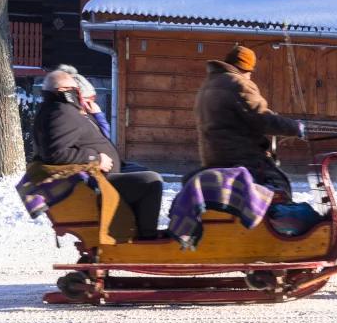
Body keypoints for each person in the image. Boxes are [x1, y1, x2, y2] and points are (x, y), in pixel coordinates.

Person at [33, 69, 163, 239]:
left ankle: (134, 231)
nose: (78, 92)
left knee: (142, 172)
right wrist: (95, 158)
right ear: (63, 91)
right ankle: (146, 237)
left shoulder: (59, 109)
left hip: (98, 177)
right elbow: (56, 154)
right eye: (74, 88)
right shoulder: (60, 112)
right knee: (151, 181)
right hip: (94, 183)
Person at [195, 45, 305, 199]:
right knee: (280, 186)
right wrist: (295, 127)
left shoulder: (208, 84)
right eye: (250, 72)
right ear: (245, 68)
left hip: (212, 158)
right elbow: (261, 118)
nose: (250, 77)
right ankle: (275, 221)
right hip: (241, 158)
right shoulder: (238, 83)